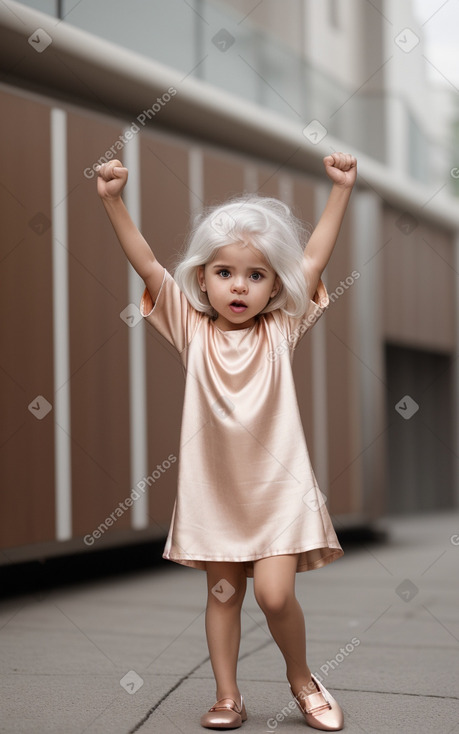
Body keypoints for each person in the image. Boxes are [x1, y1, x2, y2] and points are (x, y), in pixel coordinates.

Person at [96, 151, 357, 731]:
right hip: (215, 491)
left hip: (278, 490)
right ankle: (227, 696)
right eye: (225, 273)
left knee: (274, 596)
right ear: (203, 278)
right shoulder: (190, 327)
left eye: (256, 275)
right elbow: (146, 265)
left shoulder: (282, 328)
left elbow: (315, 256)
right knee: (222, 595)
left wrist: (340, 190)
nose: (239, 286)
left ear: (274, 287)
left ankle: (302, 679)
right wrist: (113, 201)